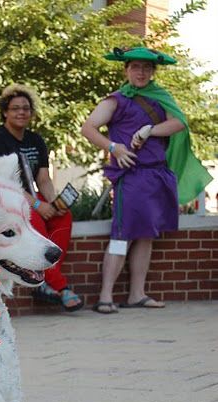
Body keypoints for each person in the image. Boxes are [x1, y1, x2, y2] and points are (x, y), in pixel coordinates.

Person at [81, 46, 212, 314]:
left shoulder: (161, 97)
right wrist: (113, 147)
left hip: (157, 174)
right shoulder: (116, 100)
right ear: (126, 70)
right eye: (135, 67)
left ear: (152, 72)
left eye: (146, 68)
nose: (141, 72)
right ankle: (105, 296)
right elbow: (88, 128)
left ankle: (136, 295)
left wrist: (150, 129)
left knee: (146, 235)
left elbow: (178, 123)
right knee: (122, 234)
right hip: (131, 176)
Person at [0, 84, 83, 311]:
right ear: (5, 112)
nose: (21, 112)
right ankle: (60, 287)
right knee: (33, 218)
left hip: (36, 200)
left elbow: (43, 179)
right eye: (15, 108)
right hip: (11, 205)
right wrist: (37, 204)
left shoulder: (36, 140)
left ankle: (44, 275)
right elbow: (1, 183)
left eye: (26, 108)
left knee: (63, 218)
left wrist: (55, 203)